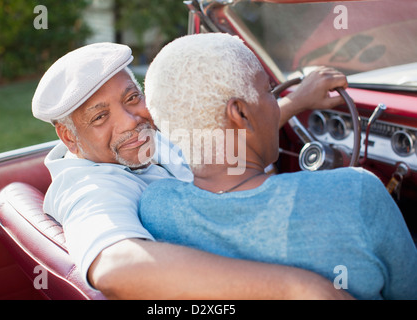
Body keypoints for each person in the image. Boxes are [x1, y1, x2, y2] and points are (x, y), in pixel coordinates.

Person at [32, 41, 354, 299]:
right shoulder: (87, 188)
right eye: (100, 117)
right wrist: (299, 289)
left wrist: (296, 101)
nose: (130, 120)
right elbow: (115, 268)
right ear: (68, 137)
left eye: (132, 97)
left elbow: (225, 136)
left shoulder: (143, 142)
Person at [139, 33, 417, 300]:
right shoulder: (356, 191)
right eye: (269, 92)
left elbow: (224, 140)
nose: (274, 103)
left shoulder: (155, 206)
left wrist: (296, 102)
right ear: (240, 113)